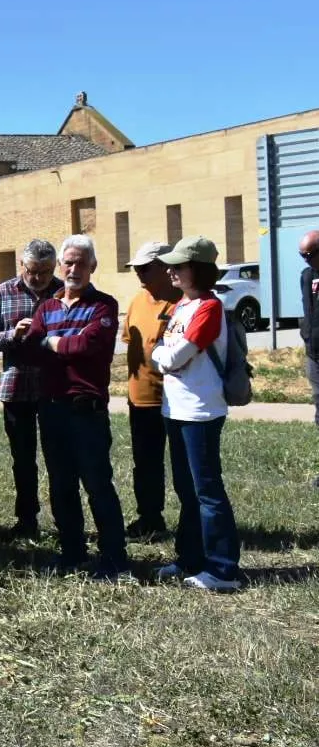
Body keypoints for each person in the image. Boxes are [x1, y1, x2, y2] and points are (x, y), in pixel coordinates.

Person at [15, 235, 129, 577]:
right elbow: (31, 351)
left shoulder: (104, 305)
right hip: (51, 408)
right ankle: (72, 552)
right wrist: (45, 342)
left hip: (86, 409)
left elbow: (88, 345)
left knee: (97, 483)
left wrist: (50, 341)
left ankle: (113, 556)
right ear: (60, 267)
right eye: (68, 262)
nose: (73, 268)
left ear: (93, 266)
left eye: (81, 262)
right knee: (61, 484)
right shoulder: (47, 307)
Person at [152, 235, 242, 592]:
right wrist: (164, 355)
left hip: (200, 411)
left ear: (198, 270)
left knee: (207, 490)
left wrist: (163, 356)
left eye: (179, 265)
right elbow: (163, 350)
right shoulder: (181, 308)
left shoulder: (208, 307)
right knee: (187, 491)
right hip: (176, 408)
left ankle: (223, 570)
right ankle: (190, 559)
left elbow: (172, 356)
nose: (171, 271)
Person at [0, 239, 62, 539]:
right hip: (16, 387)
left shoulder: (63, 292)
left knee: (58, 457)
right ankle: (27, 520)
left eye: (46, 271)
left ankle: (65, 519)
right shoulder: (3, 292)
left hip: (54, 388)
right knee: (23, 458)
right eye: (33, 271)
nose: (39, 278)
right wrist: (12, 335)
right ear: (22, 266)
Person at [123, 241, 178, 538]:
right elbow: (131, 343)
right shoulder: (136, 301)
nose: (139, 274)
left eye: (145, 268)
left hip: (176, 399)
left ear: (165, 267)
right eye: (136, 269)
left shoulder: (181, 301)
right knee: (145, 463)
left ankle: (192, 520)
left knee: (183, 465)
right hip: (141, 398)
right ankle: (150, 518)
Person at [299, 229, 319, 486]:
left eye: (310, 255)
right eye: (302, 255)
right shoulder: (307, 276)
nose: (305, 259)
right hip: (315, 355)